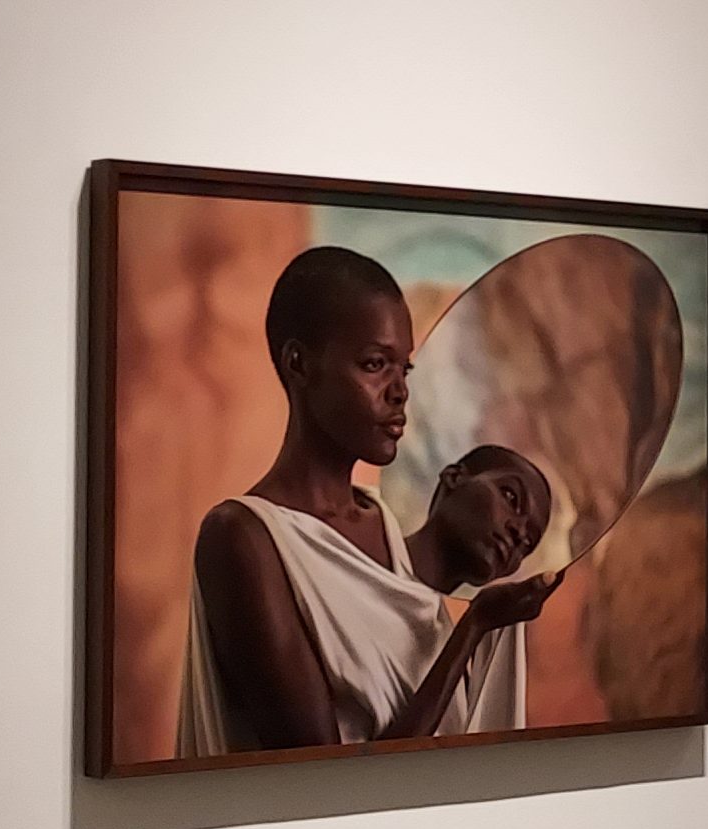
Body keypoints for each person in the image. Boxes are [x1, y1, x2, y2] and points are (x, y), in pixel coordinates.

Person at [177, 247, 564, 756]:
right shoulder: (243, 537)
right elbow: (322, 770)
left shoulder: (386, 533)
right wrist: (473, 629)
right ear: (299, 364)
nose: (399, 391)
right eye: (375, 364)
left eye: (404, 369)